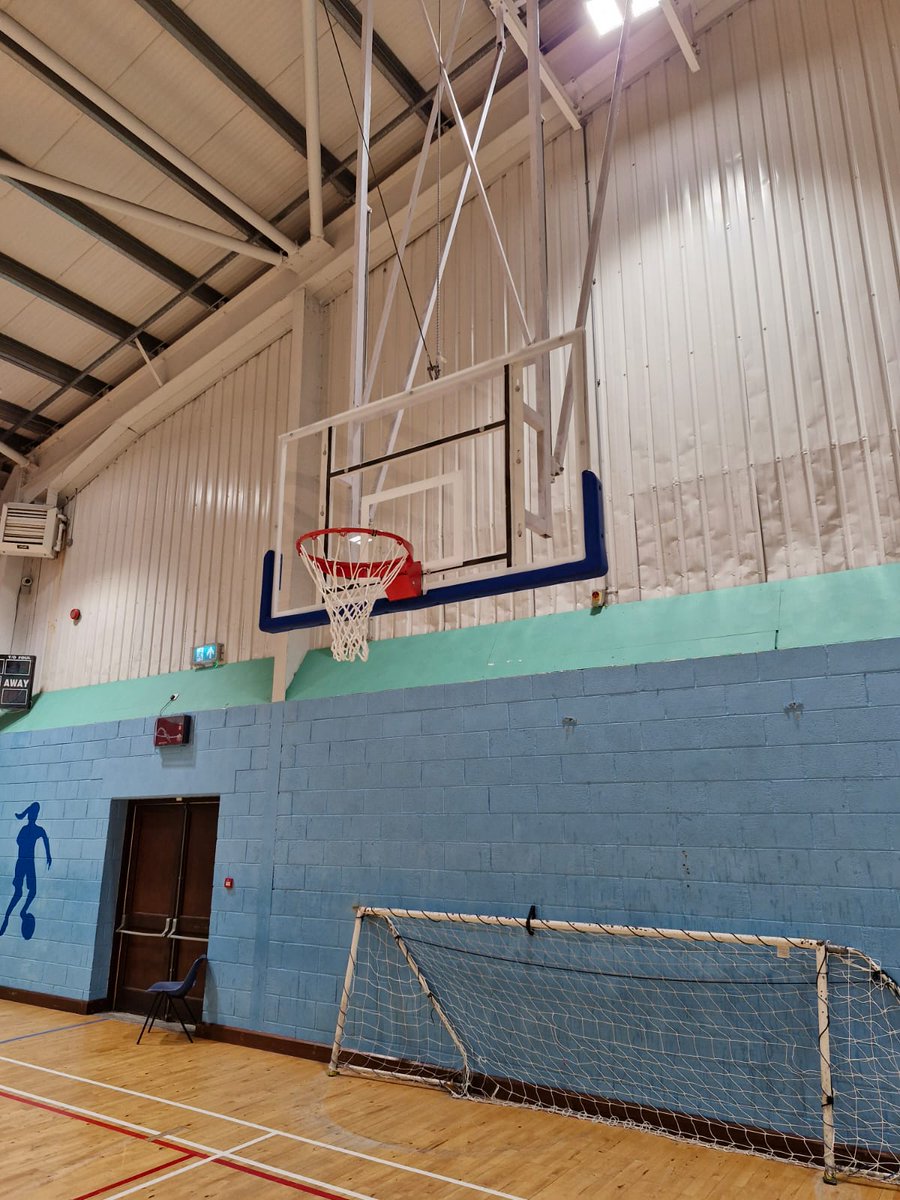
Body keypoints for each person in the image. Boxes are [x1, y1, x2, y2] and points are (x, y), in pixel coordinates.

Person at [0, 802, 51, 936]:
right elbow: (24, 841)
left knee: (31, 891)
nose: (33, 816)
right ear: (31, 816)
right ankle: (6, 917)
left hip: (28, 863)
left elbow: (45, 837)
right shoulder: (27, 830)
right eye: (32, 814)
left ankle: (21, 912)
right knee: (19, 892)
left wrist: (49, 855)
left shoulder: (34, 830)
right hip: (23, 863)